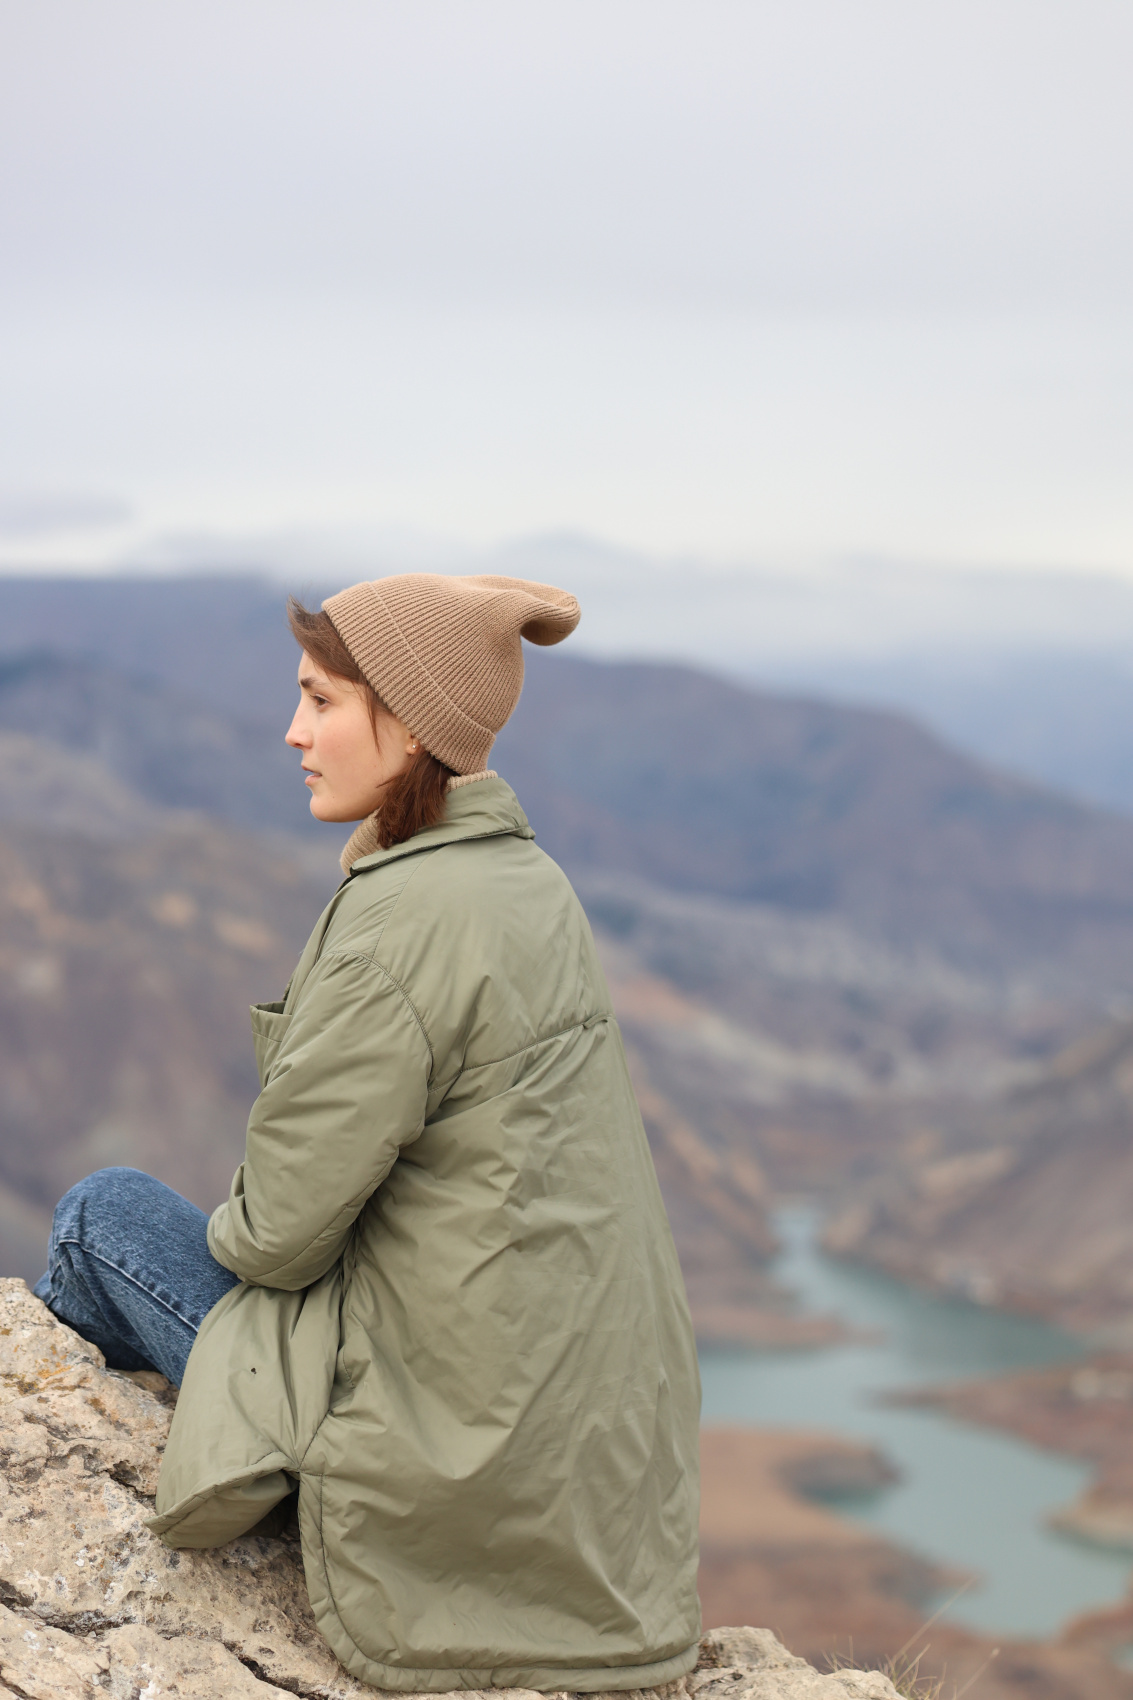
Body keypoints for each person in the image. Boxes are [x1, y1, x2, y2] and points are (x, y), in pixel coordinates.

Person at [34, 573, 702, 1694]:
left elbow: (274, 1239)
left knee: (103, 1213)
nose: (293, 732)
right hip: (579, 1498)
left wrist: (258, 1203)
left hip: (441, 1471)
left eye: (323, 701)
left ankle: (63, 1475)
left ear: (412, 718)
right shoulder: (529, 884)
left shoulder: (399, 922)